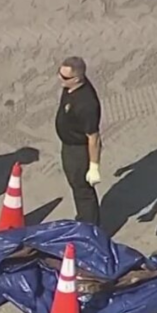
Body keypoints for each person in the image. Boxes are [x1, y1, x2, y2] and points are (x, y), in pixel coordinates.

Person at [55, 56, 102, 225]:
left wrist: (94, 166)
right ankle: (83, 219)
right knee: (75, 185)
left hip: (78, 150)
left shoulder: (87, 104)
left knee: (82, 189)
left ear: (77, 79)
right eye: (59, 74)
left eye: (65, 77)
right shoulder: (70, 87)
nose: (60, 79)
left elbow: (94, 137)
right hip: (68, 145)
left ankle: (90, 227)